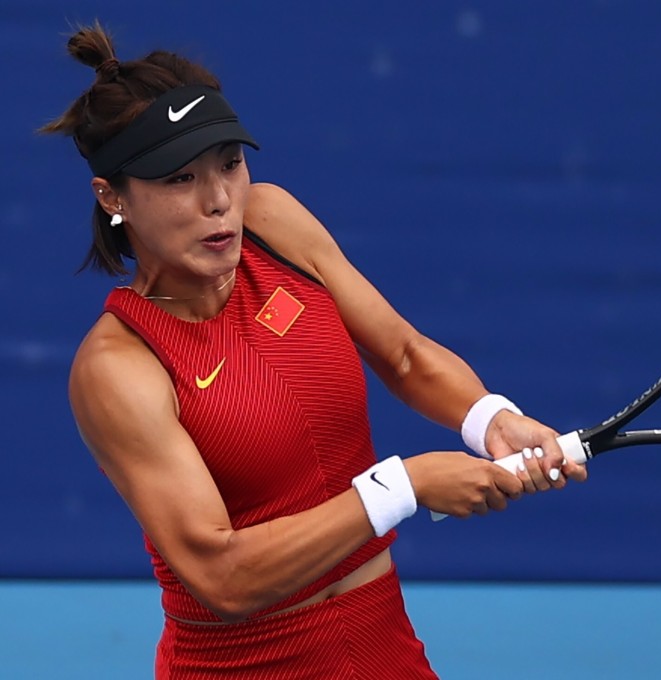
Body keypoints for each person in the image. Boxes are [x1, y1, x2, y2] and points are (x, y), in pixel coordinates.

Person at [43, 22, 586, 679]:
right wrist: (404, 485)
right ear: (112, 196)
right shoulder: (118, 366)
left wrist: (489, 417)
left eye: (229, 164)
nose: (220, 201)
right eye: (181, 178)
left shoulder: (271, 221)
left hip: (385, 643)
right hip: (244, 667)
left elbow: (405, 355)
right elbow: (223, 575)